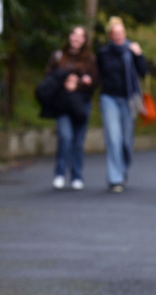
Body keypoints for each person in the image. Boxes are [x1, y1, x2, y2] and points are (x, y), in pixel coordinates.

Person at [96, 17, 147, 193]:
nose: (118, 36)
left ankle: (123, 169)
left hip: (128, 99)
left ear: (125, 34)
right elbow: (98, 75)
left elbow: (143, 72)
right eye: (115, 33)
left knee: (126, 141)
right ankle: (115, 178)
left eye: (121, 33)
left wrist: (139, 55)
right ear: (110, 35)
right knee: (113, 138)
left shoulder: (131, 51)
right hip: (109, 98)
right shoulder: (103, 53)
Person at [44, 26, 98, 190]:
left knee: (78, 141)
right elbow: (49, 79)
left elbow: (95, 82)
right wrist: (65, 82)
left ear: (84, 40)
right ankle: (59, 173)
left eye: (80, 36)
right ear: (69, 36)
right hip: (62, 104)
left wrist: (81, 83)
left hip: (81, 104)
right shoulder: (58, 57)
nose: (76, 38)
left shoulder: (90, 59)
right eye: (74, 34)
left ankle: (76, 175)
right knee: (65, 137)